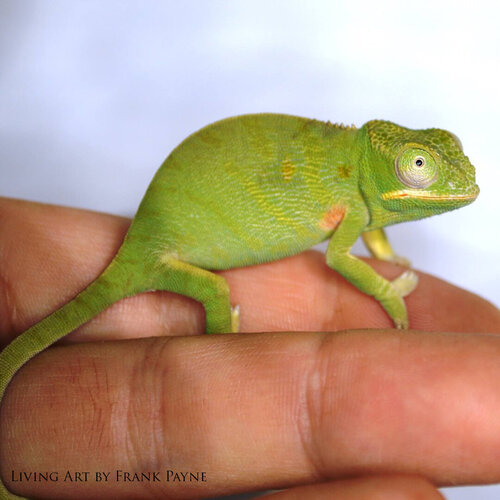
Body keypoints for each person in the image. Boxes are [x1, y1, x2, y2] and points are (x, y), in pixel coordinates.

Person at [1, 198, 499, 499]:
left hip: (166, 234)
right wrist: (387, 289)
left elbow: (370, 217)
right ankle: (220, 347)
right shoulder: (354, 194)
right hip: (161, 250)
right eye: (417, 168)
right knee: (216, 293)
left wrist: (385, 252)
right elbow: (340, 257)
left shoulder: (361, 194)